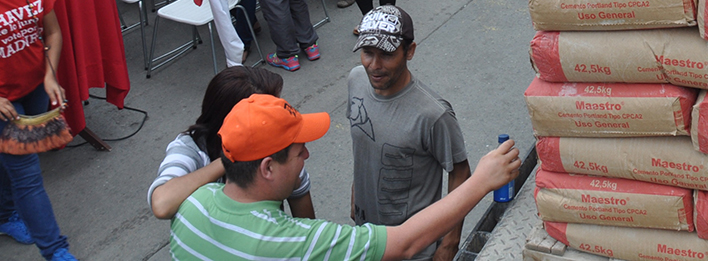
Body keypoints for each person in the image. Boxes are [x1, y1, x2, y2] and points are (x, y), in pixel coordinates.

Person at [167, 93, 520, 261]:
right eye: (297, 151)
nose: (306, 154)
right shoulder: (290, 243)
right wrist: (481, 181)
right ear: (267, 168)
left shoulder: (191, 208)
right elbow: (406, 243)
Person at [348, 5, 471, 261]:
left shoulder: (433, 114)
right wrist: (356, 195)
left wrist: (450, 242)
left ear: (410, 51)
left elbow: (460, 172)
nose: (375, 65)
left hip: (415, 248)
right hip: (366, 237)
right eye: (368, 53)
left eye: (386, 54)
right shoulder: (356, 81)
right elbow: (364, 145)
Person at [0, 0, 79, 261]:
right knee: (27, 176)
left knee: (11, 164)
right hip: (4, 102)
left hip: (33, 87)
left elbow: (53, 34)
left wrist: (49, 74)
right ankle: (55, 250)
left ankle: (4, 216)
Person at [148, 67, 313, 221]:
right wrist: (231, 157)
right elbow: (162, 204)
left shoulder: (283, 147)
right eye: (267, 110)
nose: (279, 114)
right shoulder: (191, 147)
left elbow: (307, 227)